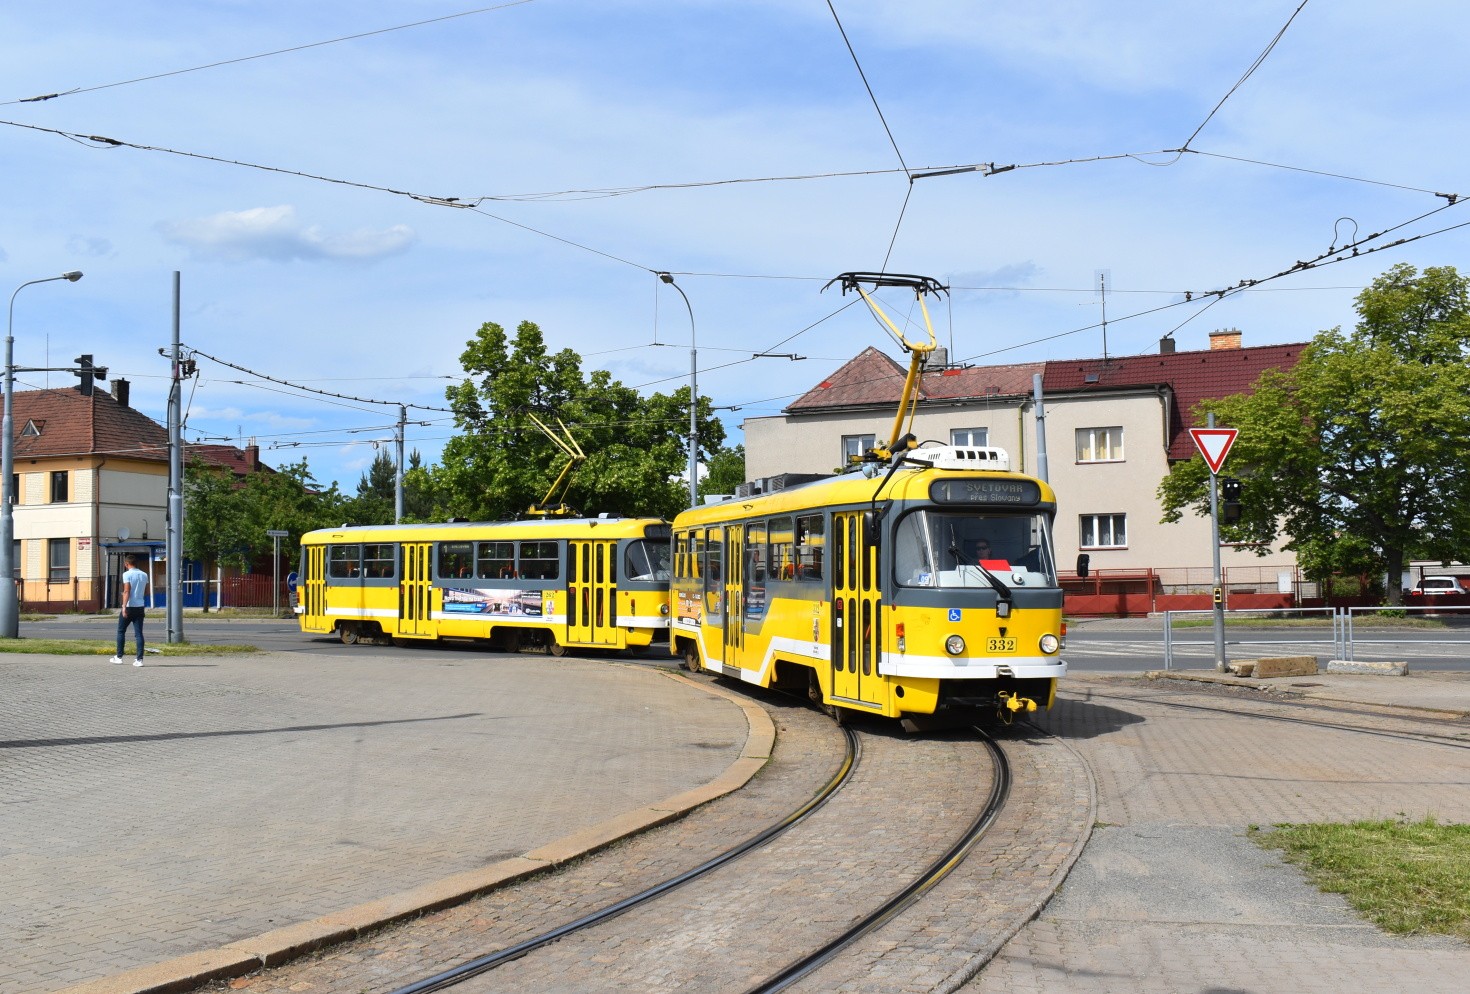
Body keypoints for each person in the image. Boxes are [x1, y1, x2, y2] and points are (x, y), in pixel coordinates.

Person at [111, 555, 150, 667]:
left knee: (121, 631)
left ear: (126, 564)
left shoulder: (126, 574)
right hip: (140, 606)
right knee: (138, 633)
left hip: (129, 606)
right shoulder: (144, 574)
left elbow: (127, 591)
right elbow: (147, 591)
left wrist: (124, 606)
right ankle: (139, 660)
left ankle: (119, 657)